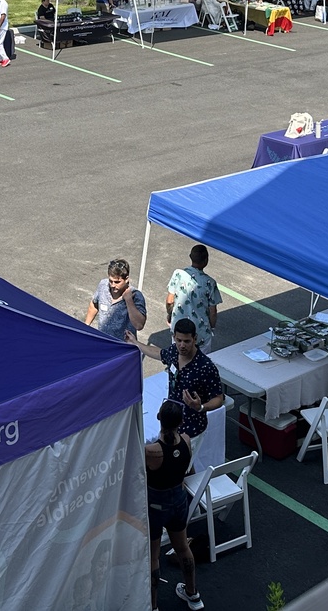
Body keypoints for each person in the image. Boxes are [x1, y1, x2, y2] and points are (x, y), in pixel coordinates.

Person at [143, 399, 204, 611]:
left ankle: (152, 606)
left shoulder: (151, 452)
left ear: (159, 418)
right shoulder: (187, 440)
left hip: (156, 505)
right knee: (182, 547)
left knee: (154, 556)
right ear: (181, 421)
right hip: (178, 500)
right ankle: (192, 593)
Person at [128, 319, 224, 440]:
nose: (182, 345)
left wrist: (201, 407)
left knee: (184, 459)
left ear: (195, 338)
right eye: (179, 340)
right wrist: (136, 343)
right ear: (174, 337)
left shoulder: (206, 367)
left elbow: (218, 398)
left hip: (190, 430)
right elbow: (159, 353)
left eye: (187, 341)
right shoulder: (174, 352)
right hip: (169, 425)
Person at [166, 244, 220, 352]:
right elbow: (213, 311)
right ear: (206, 261)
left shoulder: (178, 274)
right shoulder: (210, 282)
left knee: (178, 360)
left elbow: (169, 300)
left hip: (179, 331)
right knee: (202, 364)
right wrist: (212, 327)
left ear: (190, 257)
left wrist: (170, 315)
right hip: (201, 333)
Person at [85, 258, 147, 340]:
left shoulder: (136, 296)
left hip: (122, 347)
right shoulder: (103, 285)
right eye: (111, 281)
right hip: (102, 342)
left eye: (117, 282)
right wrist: (86, 326)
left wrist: (129, 301)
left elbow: (139, 325)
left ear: (127, 279)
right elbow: (94, 304)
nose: (113, 285)